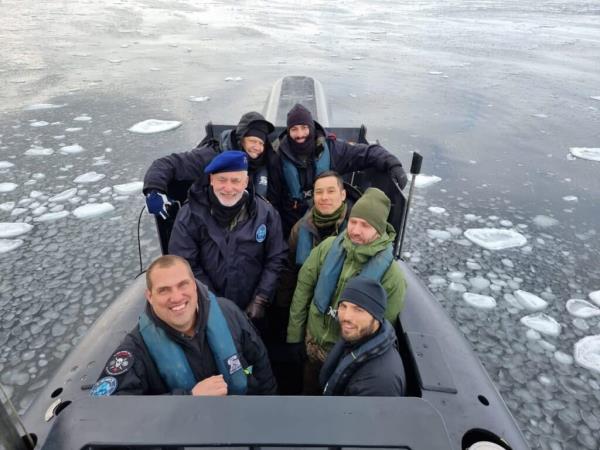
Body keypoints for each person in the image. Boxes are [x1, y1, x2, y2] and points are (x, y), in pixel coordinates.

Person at [90, 255, 277, 396]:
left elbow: (260, 362)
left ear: (195, 285)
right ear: (149, 296)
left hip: (243, 421)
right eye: (164, 290)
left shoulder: (228, 313)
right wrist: (188, 399)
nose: (176, 297)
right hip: (183, 433)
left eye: (183, 285)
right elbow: (110, 411)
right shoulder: (136, 349)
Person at [287, 187, 406, 394]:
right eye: (353, 222)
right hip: (311, 343)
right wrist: (295, 336)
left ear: (379, 230)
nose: (355, 231)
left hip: (344, 357)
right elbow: (302, 291)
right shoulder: (327, 248)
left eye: (365, 225)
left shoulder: (391, 276)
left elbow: (382, 326)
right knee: (307, 391)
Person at [168, 151, 287, 321]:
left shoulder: (265, 214)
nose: (228, 188)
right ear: (211, 180)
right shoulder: (190, 215)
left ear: (245, 182)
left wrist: (261, 298)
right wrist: (215, 304)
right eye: (222, 180)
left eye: (235, 180)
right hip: (206, 308)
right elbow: (184, 264)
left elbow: (276, 257)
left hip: (253, 307)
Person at [274, 103, 407, 236]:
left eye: (304, 128)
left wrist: (393, 164)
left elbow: (365, 153)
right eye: (294, 129)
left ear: (312, 127)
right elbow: (273, 198)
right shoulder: (278, 157)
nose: (300, 134)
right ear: (288, 131)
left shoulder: (332, 149)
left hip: (329, 223)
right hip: (292, 224)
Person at [143, 111, 277, 219]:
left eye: (261, 143)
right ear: (240, 139)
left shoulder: (262, 162)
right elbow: (167, 163)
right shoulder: (210, 157)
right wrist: (154, 189)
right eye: (253, 141)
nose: (257, 148)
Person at [272, 170, 350, 338]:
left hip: (337, 311)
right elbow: (288, 271)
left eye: (331, 191)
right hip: (305, 302)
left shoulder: (354, 229)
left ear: (343, 195)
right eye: (319, 192)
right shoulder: (300, 229)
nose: (324, 197)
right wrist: (282, 309)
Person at [319, 276, 406, 396]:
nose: (346, 317)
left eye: (358, 309)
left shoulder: (379, 383)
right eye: (343, 306)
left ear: (376, 317)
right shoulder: (356, 336)